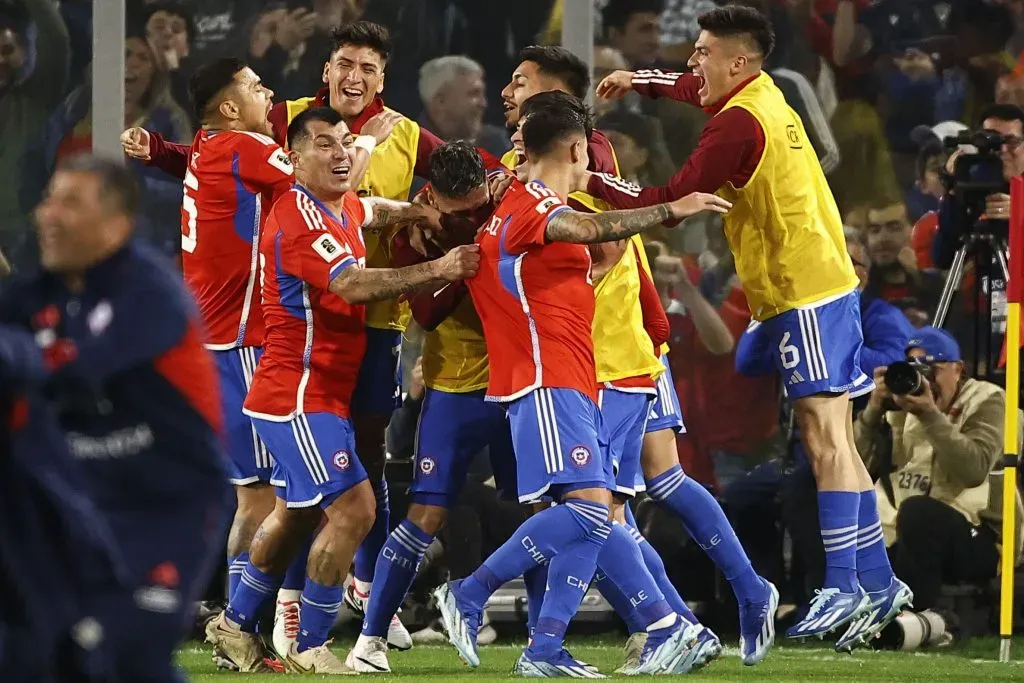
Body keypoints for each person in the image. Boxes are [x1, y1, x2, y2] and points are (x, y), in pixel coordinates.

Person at [590, 5, 908, 649]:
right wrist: (639, 80)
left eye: (703, 51)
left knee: (825, 438)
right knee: (834, 436)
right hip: (817, 282)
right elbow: (690, 87)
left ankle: (846, 583)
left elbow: (676, 197)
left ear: (737, 61)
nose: (692, 61)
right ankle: (876, 583)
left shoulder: (737, 125)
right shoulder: (761, 93)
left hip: (803, 290)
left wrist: (591, 185)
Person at [128, 24, 450, 642]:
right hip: (256, 341)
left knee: (282, 494)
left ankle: (245, 621)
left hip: (247, 335)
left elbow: (352, 203)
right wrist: (362, 146)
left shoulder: (216, 143)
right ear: (327, 71)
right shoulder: (261, 141)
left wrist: (413, 207)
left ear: (383, 77)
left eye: (369, 67)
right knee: (291, 501)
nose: (266, 91)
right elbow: (334, 188)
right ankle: (269, 617)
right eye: (254, 86)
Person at [432, 93, 731, 676]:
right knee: (594, 515)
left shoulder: (518, 200)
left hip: (563, 375)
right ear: (575, 147)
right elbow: (583, 225)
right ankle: (468, 594)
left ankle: (546, 649)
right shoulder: (534, 203)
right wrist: (673, 208)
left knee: (595, 517)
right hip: (547, 378)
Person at [498, 44, 777, 667]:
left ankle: (673, 624)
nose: (507, 94)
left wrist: (590, 291)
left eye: (520, 83)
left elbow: (617, 232)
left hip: (608, 346)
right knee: (655, 482)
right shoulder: (534, 160)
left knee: (600, 506)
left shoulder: (581, 156)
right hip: (613, 343)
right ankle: (718, 605)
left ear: (556, 92)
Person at [203, 106, 478, 675]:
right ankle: (310, 644)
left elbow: (371, 210)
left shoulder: (340, 205)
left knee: (297, 515)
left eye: (347, 142)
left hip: (312, 393)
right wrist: (442, 267)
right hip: (297, 392)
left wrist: (414, 210)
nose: (341, 152)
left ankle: (235, 624)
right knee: (355, 508)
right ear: (295, 158)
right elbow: (351, 283)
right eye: (324, 144)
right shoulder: (298, 217)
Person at [1, 154, 232, 682]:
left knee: (123, 655)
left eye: (70, 203)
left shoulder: (150, 295)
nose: (49, 215)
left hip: (164, 507)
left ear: (117, 224)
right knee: (39, 656)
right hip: (78, 504)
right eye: (48, 200)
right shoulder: (36, 293)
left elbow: (68, 369)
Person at [347, 143, 517, 674]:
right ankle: (370, 640)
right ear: (431, 198)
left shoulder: (501, 195)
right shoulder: (410, 233)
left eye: (477, 205)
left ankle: (544, 642)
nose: (471, 217)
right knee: (427, 512)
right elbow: (426, 312)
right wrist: (460, 266)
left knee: (550, 509)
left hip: (520, 380)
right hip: (455, 384)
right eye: (459, 211)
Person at [854, 327, 1022, 613]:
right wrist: (872, 411)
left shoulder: (989, 401)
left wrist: (930, 415)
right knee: (821, 495)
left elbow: (974, 469)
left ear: (958, 370)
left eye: (933, 369)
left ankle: (912, 617)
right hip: (900, 527)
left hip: (979, 534)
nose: (925, 379)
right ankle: (827, 609)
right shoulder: (899, 402)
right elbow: (852, 468)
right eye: (915, 369)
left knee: (919, 513)